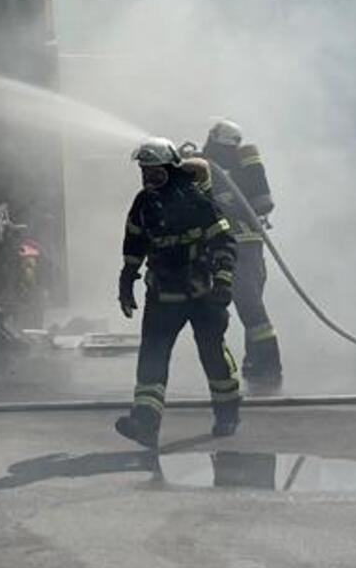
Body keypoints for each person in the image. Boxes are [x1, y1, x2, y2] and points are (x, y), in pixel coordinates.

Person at [114, 138, 242, 449]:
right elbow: (134, 242)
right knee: (152, 358)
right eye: (145, 174)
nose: (149, 181)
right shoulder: (143, 204)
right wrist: (127, 278)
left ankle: (227, 412)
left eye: (155, 174)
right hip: (163, 295)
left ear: (171, 171)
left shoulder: (199, 202)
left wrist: (223, 281)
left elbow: (224, 243)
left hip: (203, 295)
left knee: (212, 352)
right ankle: (145, 423)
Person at [202, 118, 282, 382]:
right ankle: (256, 362)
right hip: (253, 245)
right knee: (253, 303)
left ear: (216, 142)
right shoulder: (230, 171)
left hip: (237, 245)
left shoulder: (220, 173)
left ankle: (270, 362)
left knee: (249, 306)